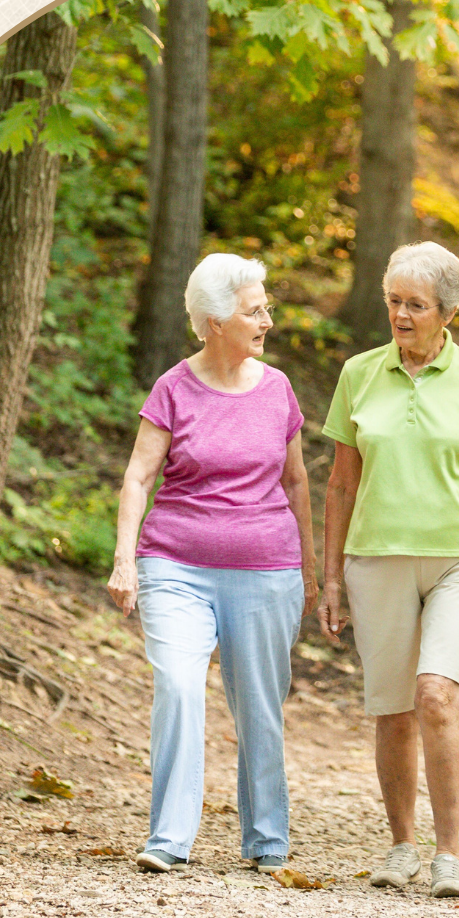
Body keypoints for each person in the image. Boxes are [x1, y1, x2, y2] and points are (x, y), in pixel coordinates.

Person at [318, 240, 459, 899]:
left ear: (447, 311)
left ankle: (450, 854)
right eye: (393, 303)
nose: (401, 316)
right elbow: (341, 487)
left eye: (415, 305)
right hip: (376, 558)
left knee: (436, 693)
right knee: (394, 710)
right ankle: (402, 844)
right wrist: (328, 577)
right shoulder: (359, 374)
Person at [107, 253, 318, 873]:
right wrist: (125, 560)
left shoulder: (277, 388)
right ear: (214, 321)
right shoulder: (174, 387)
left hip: (265, 567)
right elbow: (138, 476)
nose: (267, 321)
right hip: (175, 563)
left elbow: (298, 482)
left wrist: (309, 568)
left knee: (259, 702)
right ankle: (169, 838)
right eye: (255, 311)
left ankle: (267, 838)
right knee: (176, 683)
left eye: (266, 309)